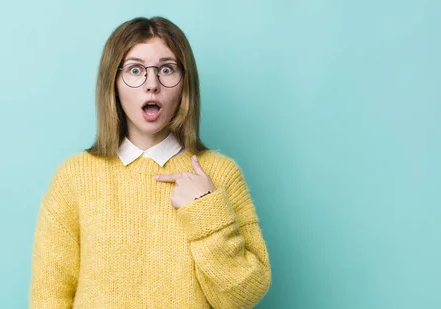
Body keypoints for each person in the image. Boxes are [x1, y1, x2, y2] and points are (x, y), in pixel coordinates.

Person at [29, 16, 271, 308]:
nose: (152, 84)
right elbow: (48, 297)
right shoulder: (74, 177)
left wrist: (205, 209)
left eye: (166, 69)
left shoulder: (221, 173)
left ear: (185, 84)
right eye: (135, 70)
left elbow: (242, 295)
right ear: (114, 84)